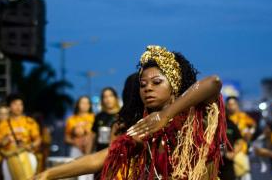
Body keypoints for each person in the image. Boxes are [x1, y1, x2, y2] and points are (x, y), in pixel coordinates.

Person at [34, 45, 228, 180]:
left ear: (174, 86)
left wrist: (165, 115)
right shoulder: (145, 128)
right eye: (143, 85)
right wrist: (48, 174)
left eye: (156, 82)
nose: (148, 88)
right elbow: (98, 158)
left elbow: (214, 82)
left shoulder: (194, 114)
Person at [0, 94, 41, 180]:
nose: (18, 107)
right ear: (9, 107)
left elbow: (38, 139)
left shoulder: (30, 121)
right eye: (15, 104)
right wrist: (6, 140)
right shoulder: (3, 124)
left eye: (20, 104)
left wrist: (30, 146)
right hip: (9, 157)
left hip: (27, 155)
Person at [226, 96, 255, 180]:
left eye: (233, 104)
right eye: (229, 104)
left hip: (241, 151)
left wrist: (251, 133)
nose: (231, 106)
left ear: (237, 105)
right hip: (228, 154)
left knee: (244, 176)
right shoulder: (225, 118)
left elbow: (253, 125)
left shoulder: (243, 116)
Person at [89, 87, 120, 153]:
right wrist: (88, 153)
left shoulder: (122, 115)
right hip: (100, 152)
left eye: (110, 96)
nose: (108, 99)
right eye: (105, 97)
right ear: (102, 100)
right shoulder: (99, 116)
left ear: (116, 98)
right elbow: (93, 136)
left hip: (116, 153)